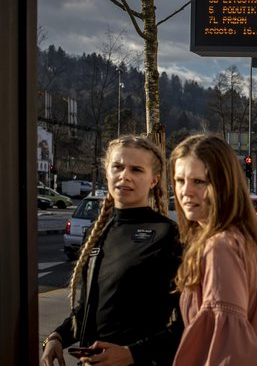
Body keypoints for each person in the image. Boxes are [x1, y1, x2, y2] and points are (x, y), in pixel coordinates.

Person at [40, 135, 182, 366]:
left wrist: (131, 353)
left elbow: (185, 325)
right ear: (107, 172)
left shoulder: (166, 234)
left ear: (154, 180)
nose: (125, 175)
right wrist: (57, 337)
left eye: (136, 170)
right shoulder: (96, 234)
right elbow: (88, 310)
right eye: (118, 166)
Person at [169, 134, 257, 365]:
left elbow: (230, 351)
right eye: (180, 180)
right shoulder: (247, 237)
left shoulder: (220, 247)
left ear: (224, 184)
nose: (186, 191)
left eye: (199, 182)